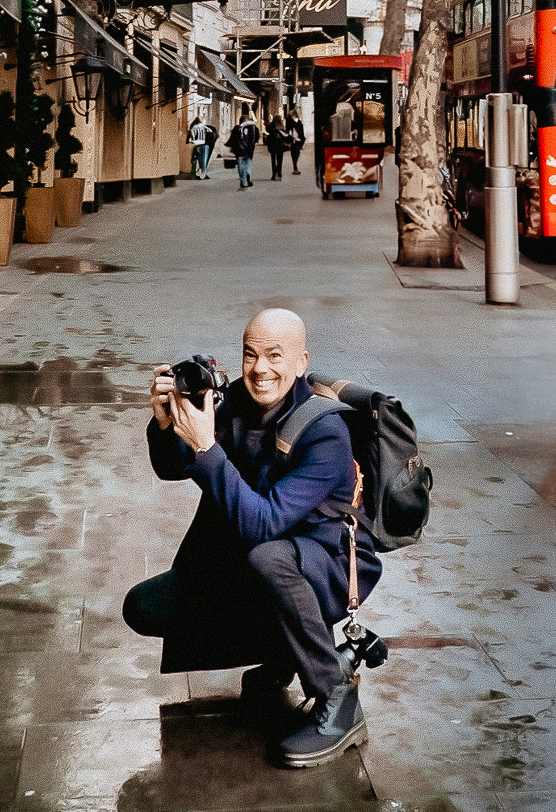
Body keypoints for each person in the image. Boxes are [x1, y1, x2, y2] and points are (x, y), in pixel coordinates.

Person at [122, 309, 381, 767]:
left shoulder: (325, 431)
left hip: (328, 566)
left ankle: (337, 697)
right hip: (261, 561)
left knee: (268, 557)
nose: (261, 369)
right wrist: (166, 425)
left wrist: (207, 448)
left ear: (300, 362)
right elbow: (171, 467)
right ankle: (287, 651)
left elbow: (262, 525)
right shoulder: (236, 402)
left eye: (275, 356)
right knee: (146, 606)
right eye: (250, 355)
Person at [226, 104, 260, 188]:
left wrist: (231, 147)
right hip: (250, 149)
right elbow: (257, 138)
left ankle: (243, 181)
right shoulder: (254, 128)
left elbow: (233, 139)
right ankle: (248, 173)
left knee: (241, 165)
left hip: (239, 150)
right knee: (248, 163)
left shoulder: (238, 128)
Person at [189, 115, 215, 179]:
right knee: (204, 160)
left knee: (200, 159)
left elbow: (192, 136)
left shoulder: (193, 127)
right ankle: (203, 174)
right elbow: (211, 133)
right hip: (205, 144)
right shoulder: (204, 127)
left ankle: (200, 173)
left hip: (197, 144)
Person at [265, 115, 288, 181]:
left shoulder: (271, 126)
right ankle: (279, 173)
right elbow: (285, 135)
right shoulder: (281, 126)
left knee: (273, 160)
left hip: (272, 145)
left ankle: (274, 174)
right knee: (280, 160)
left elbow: (267, 130)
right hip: (280, 145)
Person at [287, 109, 306, 175]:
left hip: (295, 140)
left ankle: (295, 166)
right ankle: (295, 167)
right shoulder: (299, 122)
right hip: (297, 140)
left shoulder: (291, 122)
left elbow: (288, 131)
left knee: (294, 153)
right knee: (296, 153)